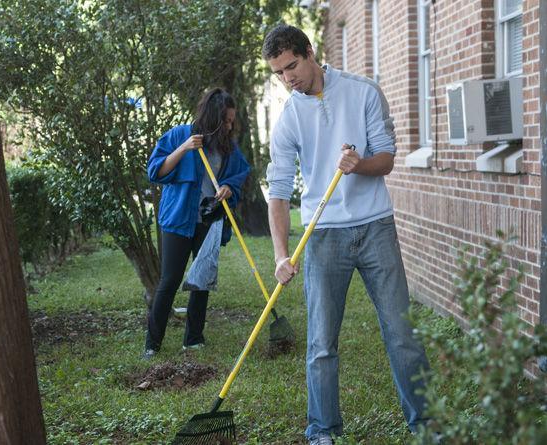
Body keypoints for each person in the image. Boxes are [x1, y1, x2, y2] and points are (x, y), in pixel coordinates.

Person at [261, 24, 431, 444]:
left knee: (402, 332)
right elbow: (279, 192)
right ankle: (322, 430)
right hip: (322, 236)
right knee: (320, 343)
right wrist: (281, 255)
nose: (288, 79)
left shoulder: (363, 92)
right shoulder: (289, 118)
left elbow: (387, 159)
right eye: (279, 73)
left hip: (375, 226)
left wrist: (361, 164)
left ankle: (428, 424)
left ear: (310, 51)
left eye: (292, 66)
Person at [144, 87, 250, 360]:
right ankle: (152, 343)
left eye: (231, 121)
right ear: (212, 117)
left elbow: (240, 173)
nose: (229, 126)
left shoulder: (228, 147)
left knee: (202, 279)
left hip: (208, 219)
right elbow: (156, 171)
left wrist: (228, 186)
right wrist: (184, 148)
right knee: (170, 280)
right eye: (225, 120)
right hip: (178, 219)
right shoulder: (181, 135)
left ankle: (193, 339)